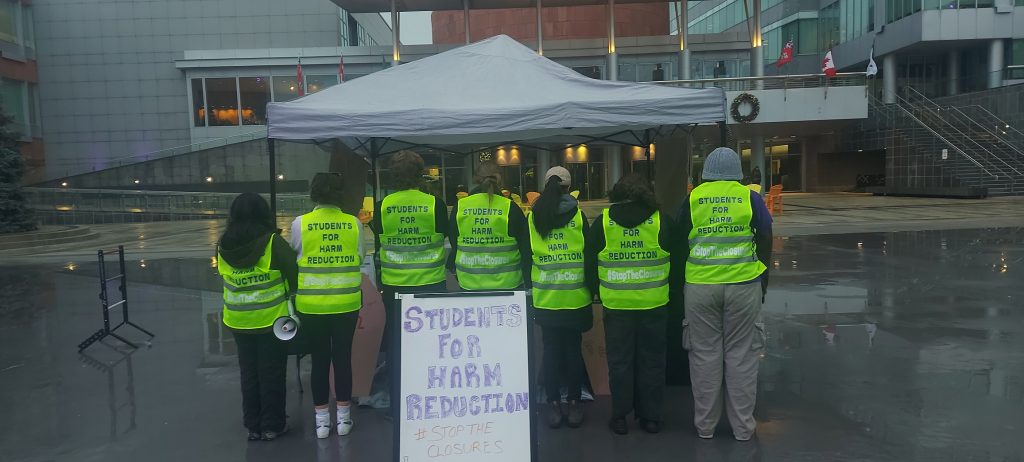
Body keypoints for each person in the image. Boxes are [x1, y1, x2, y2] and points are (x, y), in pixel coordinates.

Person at [677, 147, 772, 441]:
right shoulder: (750, 197)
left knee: (704, 356)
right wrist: (763, 276)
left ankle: (705, 426)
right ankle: (743, 428)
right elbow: (767, 234)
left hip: (700, 286)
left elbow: (680, 240)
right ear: (738, 172)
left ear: (705, 172)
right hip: (744, 284)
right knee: (741, 356)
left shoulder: (693, 198)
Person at [584, 173, 673, 436]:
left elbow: (590, 262)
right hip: (654, 303)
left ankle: (620, 417)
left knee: (620, 363)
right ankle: (651, 418)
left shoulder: (603, 223)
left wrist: (596, 292)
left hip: (617, 304)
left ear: (617, 194)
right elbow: (677, 258)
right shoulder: (660, 221)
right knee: (652, 362)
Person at [371, 151, 448, 413]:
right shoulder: (434, 204)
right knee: (430, 346)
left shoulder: (382, 206)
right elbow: (445, 234)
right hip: (430, 284)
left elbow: (380, 235)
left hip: (394, 288)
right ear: (419, 174)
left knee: (396, 347)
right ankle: (429, 399)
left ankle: (397, 404)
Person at [290, 172, 366, 439]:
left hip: (312, 306)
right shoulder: (353, 223)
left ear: (314, 193)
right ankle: (344, 419)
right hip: (346, 303)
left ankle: (322, 421)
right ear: (340, 194)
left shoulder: (300, 224)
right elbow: (360, 256)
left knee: (319, 361)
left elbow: (295, 254)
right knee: (342, 359)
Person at [216, 192, 297, 441]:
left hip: (239, 320)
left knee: (248, 372)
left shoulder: (223, 244)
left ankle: (253, 425)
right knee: (272, 371)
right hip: (274, 319)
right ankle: (273, 425)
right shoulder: (272, 242)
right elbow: (294, 274)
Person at [528, 166, 592, 429]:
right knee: (573, 350)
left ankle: (553, 405)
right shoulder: (578, 215)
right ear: (568, 187)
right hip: (575, 296)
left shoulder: (532, 217)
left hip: (546, 297)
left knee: (551, 351)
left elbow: (525, 252)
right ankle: (574, 403)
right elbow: (588, 255)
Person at [448, 161, 530, 290]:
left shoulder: (460, 207)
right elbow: (524, 247)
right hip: (508, 284)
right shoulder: (510, 208)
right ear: (500, 180)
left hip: (469, 282)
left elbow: (454, 242)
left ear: (476, 179)